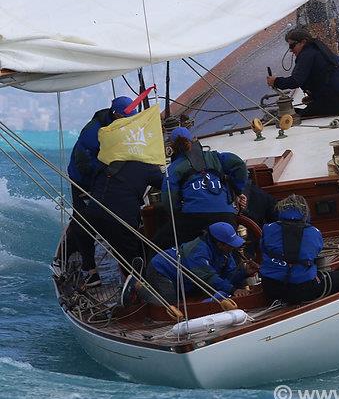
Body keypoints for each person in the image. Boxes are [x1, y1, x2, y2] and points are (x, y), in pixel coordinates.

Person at [65, 96, 137, 282]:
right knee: (84, 222)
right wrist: (106, 173)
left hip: (106, 178)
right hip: (84, 180)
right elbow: (83, 163)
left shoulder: (121, 125)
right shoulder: (93, 132)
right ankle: (90, 270)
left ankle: (127, 266)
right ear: (115, 115)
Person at [260, 195, 339, 305]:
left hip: (270, 286)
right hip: (302, 288)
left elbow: (263, 248)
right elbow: (314, 252)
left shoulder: (268, 228)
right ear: (305, 212)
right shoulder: (314, 232)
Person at [122, 222, 258, 306]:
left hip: (184, 278)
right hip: (161, 270)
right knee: (169, 307)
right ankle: (138, 286)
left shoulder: (225, 252)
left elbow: (228, 277)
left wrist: (243, 273)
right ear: (219, 243)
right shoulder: (198, 252)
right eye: (230, 245)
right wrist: (234, 290)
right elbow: (208, 278)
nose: (233, 248)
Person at [158, 127, 248, 247]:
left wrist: (178, 213)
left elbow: (168, 197)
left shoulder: (174, 168)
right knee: (228, 246)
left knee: (161, 241)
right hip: (225, 214)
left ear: (172, 147)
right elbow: (239, 165)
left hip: (193, 217)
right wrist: (237, 190)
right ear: (194, 140)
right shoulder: (215, 157)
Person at [79, 159, 163, 284]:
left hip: (94, 212)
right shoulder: (146, 167)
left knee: (122, 247)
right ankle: (141, 288)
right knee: (130, 255)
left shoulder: (108, 160)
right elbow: (166, 184)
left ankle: (90, 271)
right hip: (120, 217)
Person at [266, 28, 339, 117]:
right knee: (312, 108)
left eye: (292, 45)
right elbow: (327, 75)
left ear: (303, 42)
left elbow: (296, 81)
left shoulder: (307, 54)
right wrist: (315, 97)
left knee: (296, 115)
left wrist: (276, 81)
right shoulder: (319, 49)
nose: (291, 50)